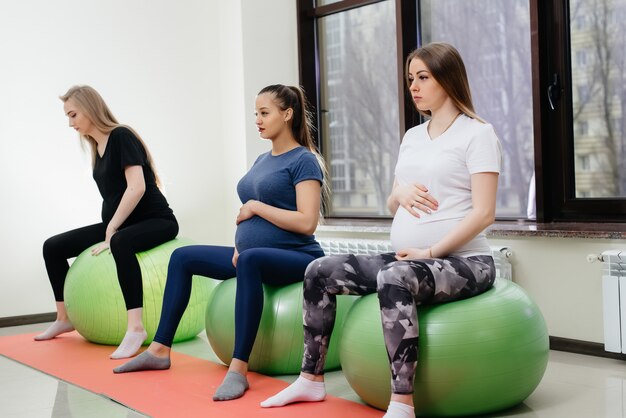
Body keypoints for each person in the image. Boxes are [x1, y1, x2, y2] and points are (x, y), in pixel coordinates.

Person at [260, 42, 502, 418]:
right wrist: (400, 193)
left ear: (448, 79)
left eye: (423, 77)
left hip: (467, 260)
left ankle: (402, 403)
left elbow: (485, 212)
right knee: (318, 271)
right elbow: (393, 201)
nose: (414, 86)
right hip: (412, 259)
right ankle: (310, 380)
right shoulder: (413, 137)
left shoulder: (477, 134)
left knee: (394, 276)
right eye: (411, 79)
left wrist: (432, 251)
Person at [113, 84, 328, 402]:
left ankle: (238, 370)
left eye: (264, 112)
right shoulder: (261, 159)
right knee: (182, 257)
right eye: (255, 113)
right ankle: (159, 349)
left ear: (287, 114)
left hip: (297, 256)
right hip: (254, 255)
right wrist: (241, 244)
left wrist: (255, 208)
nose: (257, 119)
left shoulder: (304, 160)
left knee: (252, 260)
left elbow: (306, 221)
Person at [36, 85, 179, 361]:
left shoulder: (121, 136)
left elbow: (136, 188)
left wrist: (111, 229)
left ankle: (135, 328)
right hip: (121, 224)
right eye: (68, 116)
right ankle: (64, 317)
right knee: (52, 247)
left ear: (90, 109)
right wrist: (110, 226)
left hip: (156, 220)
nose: (70, 123)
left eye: (73, 114)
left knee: (121, 241)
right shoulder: (96, 147)